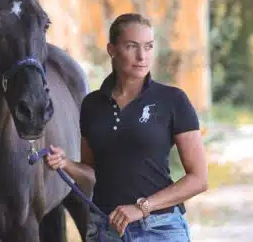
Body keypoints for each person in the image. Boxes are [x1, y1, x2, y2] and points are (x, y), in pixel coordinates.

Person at [45, 13, 208, 242]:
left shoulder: (173, 100)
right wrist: (66, 164)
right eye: (132, 46)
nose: (142, 56)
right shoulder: (92, 105)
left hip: (159, 229)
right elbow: (93, 175)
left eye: (149, 47)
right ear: (112, 49)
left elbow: (199, 178)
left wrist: (142, 207)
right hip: (104, 228)